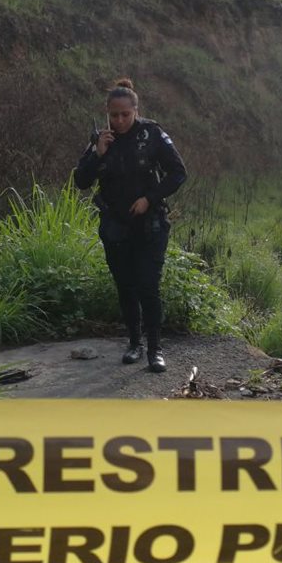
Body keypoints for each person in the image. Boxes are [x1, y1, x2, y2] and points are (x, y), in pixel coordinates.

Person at [74, 78, 188, 373]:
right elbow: (81, 181)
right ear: (107, 113)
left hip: (150, 224)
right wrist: (97, 154)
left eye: (126, 114)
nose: (120, 120)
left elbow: (178, 173)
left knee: (148, 285)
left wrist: (150, 198)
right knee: (125, 287)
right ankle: (134, 343)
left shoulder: (151, 134)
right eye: (114, 115)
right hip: (115, 226)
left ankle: (155, 349)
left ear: (136, 110)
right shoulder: (101, 140)